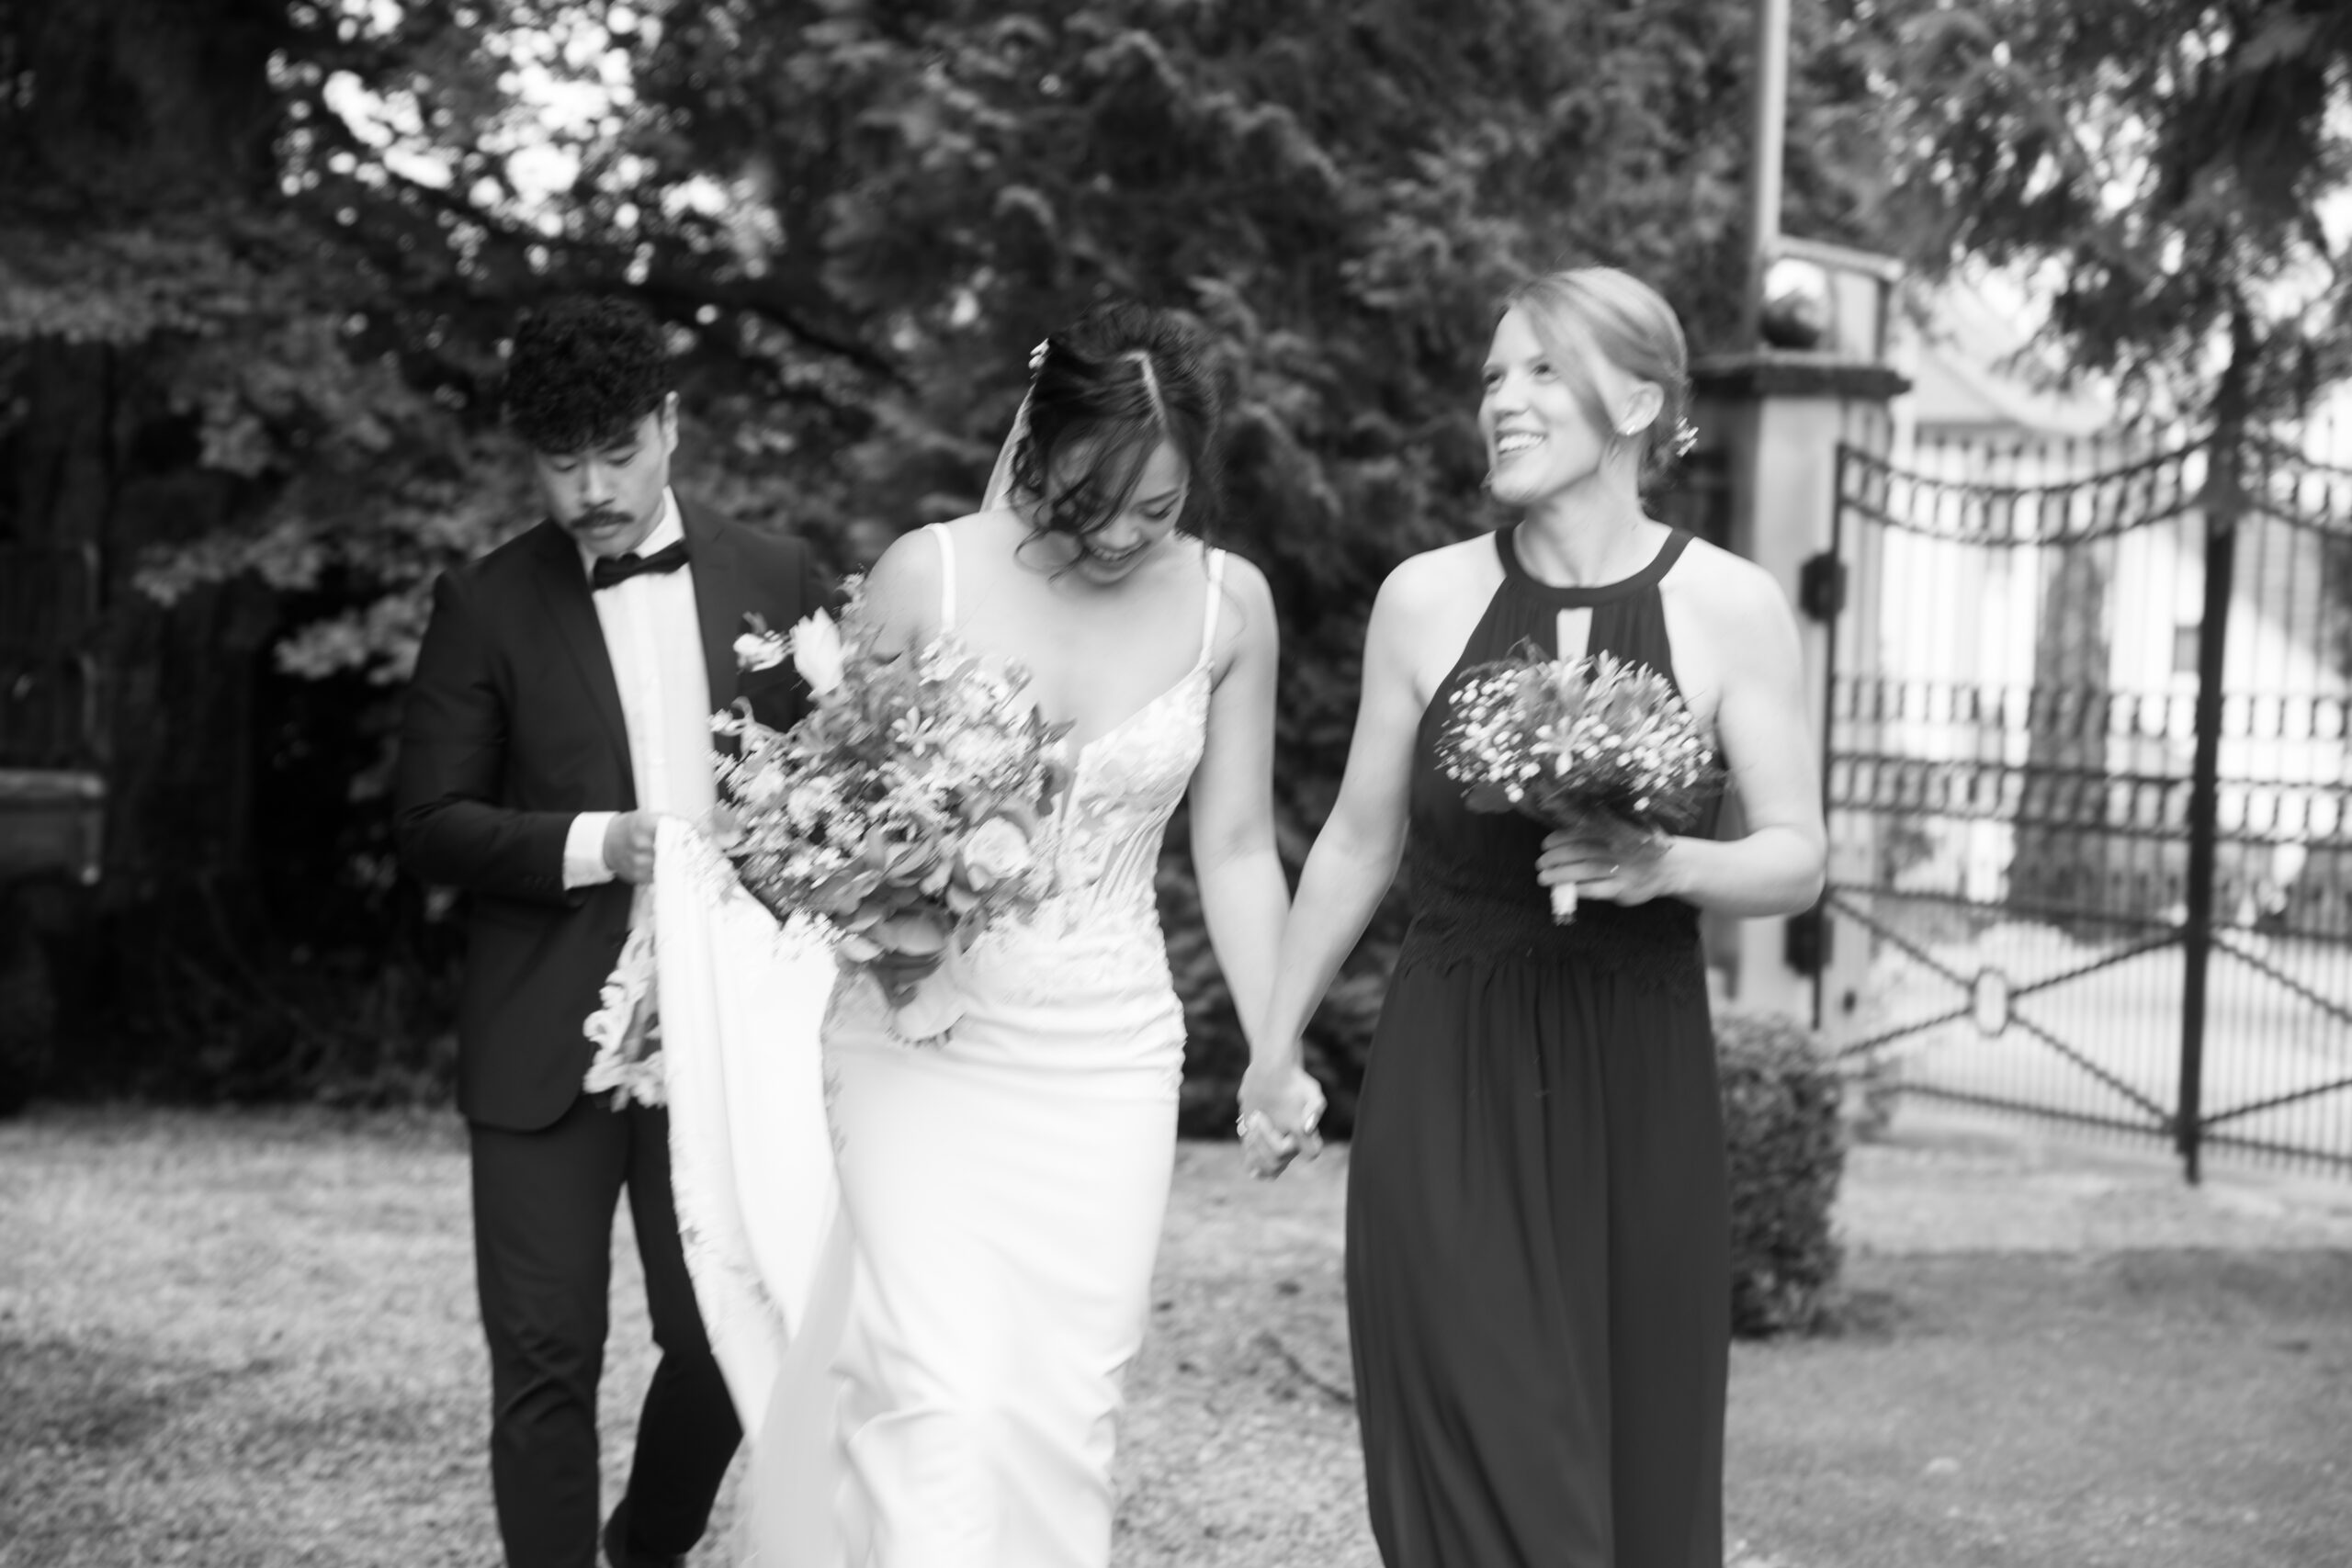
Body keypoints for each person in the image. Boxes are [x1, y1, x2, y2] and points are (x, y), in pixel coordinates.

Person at [1242, 267, 1826, 1567]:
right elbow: (1358, 841)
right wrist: (1274, 1048)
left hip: (1636, 1078)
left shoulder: (1730, 605)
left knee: (1634, 1460)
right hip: (1453, 1066)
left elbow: (1797, 860)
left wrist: (1663, 864)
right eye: (1493, 376)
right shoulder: (1424, 599)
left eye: (1542, 371)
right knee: (1483, 1435)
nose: (1503, 399)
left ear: (1640, 402)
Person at [811, 302, 1303, 1566]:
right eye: (1091, 501)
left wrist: (1275, 1047)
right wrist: (887, 927)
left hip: (1108, 1052)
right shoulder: (929, 575)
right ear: (1037, 447)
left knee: (1063, 1413)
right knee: (938, 1395)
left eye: (1159, 508)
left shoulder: (1230, 609)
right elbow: (828, 820)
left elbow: (1235, 848)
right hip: (918, 1041)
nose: (1123, 534)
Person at [393, 295, 832, 1568]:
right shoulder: (483, 603)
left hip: (728, 1029)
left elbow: (842, 787)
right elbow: (429, 823)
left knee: (721, 1334)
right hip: (545, 1035)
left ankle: (645, 1546)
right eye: (560, 461)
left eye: (616, 453)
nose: (590, 490)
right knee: (544, 1355)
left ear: (669, 426)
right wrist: (600, 841)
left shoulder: (779, 578)